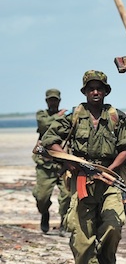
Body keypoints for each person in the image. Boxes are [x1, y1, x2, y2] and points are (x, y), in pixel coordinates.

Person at [41, 70, 126, 264]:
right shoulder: (74, 115)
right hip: (82, 179)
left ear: (105, 92)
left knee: (113, 226)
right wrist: (69, 161)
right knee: (81, 236)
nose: (95, 92)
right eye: (91, 89)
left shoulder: (116, 116)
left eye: (99, 88)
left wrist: (111, 170)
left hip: (109, 179)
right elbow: (49, 140)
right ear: (85, 91)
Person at [32, 88, 71, 236]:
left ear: (59, 101)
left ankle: (63, 224)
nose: (53, 102)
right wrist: (59, 116)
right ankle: (44, 213)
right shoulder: (41, 114)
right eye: (50, 100)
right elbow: (44, 125)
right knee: (42, 197)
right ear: (46, 101)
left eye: (55, 100)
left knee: (67, 195)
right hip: (45, 163)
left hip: (62, 162)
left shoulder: (65, 116)